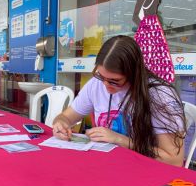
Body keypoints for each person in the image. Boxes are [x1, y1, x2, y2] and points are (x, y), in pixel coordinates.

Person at [52, 35, 186, 167]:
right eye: (100, 76)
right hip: (108, 165)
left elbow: (174, 160)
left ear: (133, 74)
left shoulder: (160, 95)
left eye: (114, 81)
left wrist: (119, 139)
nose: (105, 84)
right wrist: (60, 123)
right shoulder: (96, 84)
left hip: (147, 170)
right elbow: (66, 117)